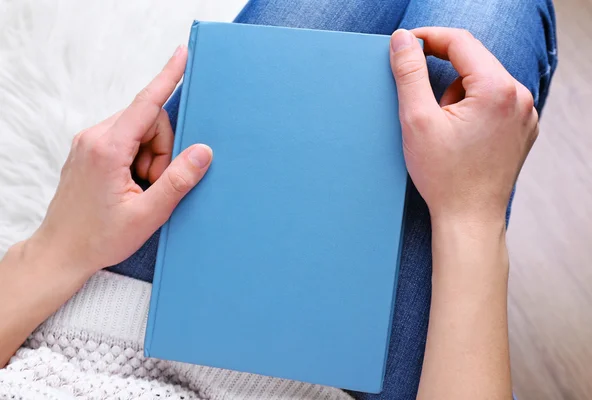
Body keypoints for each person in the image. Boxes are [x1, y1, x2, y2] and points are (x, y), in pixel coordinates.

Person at [0, 0, 557, 398]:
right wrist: (472, 218)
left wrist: (54, 246)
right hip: (327, 377)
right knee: (489, 15)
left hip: (95, 312)